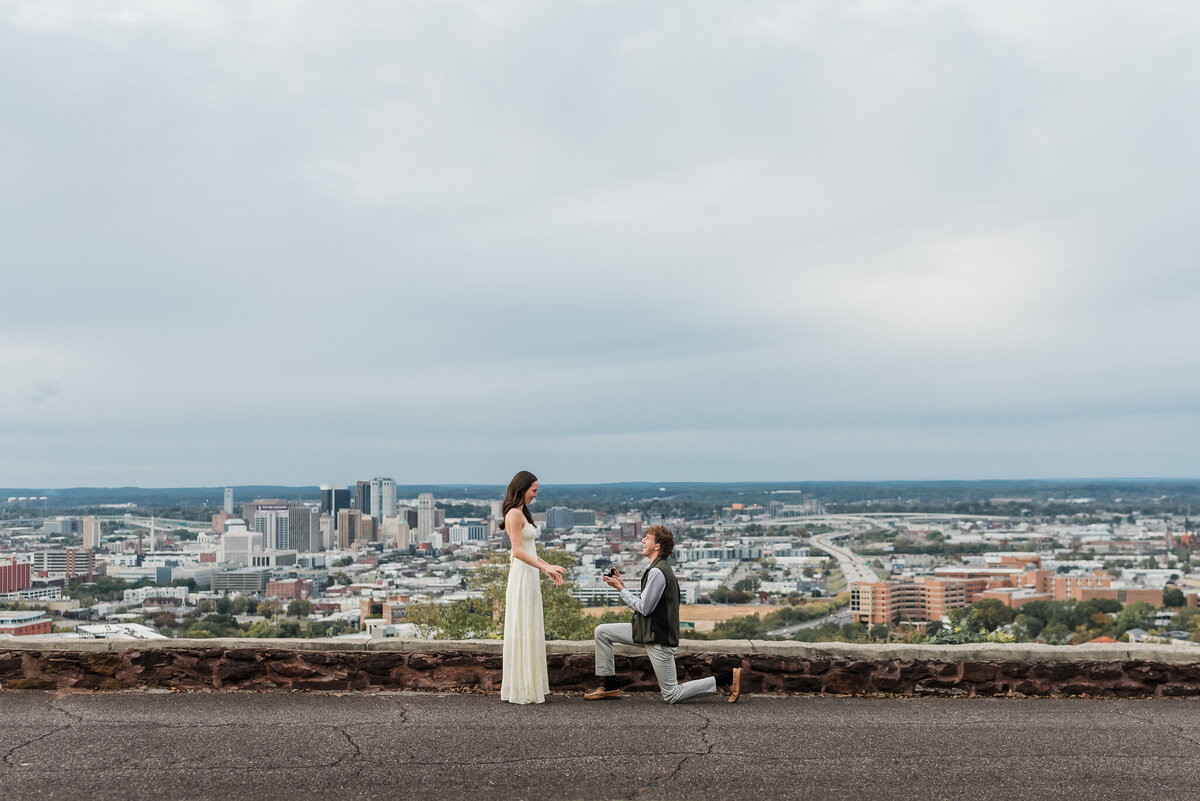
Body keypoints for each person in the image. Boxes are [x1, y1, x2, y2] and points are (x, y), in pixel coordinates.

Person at [586, 526, 742, 704]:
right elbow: (648, 603)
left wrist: (620, 589)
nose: (643, 541)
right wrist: (623, 585)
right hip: (647, 631)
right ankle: (610, 687)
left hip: (657, 637)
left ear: (657, 546)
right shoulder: (657, 569)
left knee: (671, 694)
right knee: (602, 632)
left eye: (647, 538)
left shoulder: (657, 572)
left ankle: (727, 678)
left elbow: (644, 608)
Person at [500, 470, 567, 705]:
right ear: (522, 488)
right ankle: (522, 688)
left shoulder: (522, 513)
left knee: (530, 625)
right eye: (534, 490)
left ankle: (529, 686)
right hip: (522, 575)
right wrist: (544, 568)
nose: (536, 495)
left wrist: (548, 566)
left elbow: (529, 551)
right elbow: (517, 551)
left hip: (529, 574)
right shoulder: (514, 515)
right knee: (523, 626)